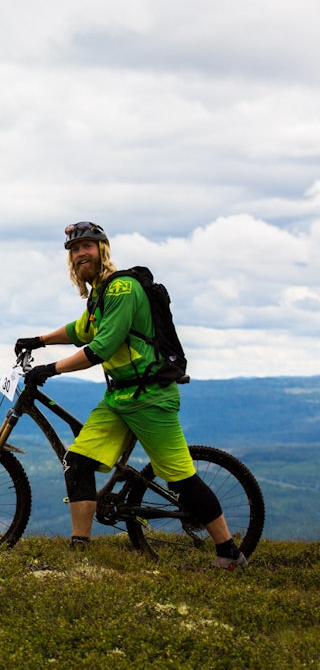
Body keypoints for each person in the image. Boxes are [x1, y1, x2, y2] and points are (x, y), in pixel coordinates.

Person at [15, 221, 248, 570]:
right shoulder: (99, 294)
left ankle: (229, 552)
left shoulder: (122, 289)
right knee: (77, 462)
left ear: (102, 250)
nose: (81, 254)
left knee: (180, 478)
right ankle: (80, 551)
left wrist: (51, 368)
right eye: (75, 251)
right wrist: (39, 341)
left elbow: (103, 345)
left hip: (151, 396)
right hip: (119, 398)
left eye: (87, 247)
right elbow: (82, 330)